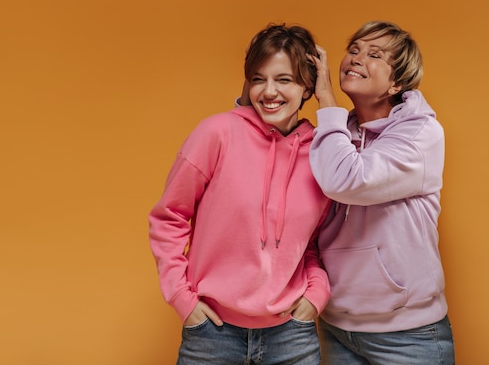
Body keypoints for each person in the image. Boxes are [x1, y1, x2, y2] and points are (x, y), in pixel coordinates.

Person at [149, 23, 332, 365]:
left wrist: (317, 294)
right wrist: (182, 300)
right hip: (212, 336)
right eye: (259, 78)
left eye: (285, 79)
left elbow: (312, 244)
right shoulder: (217, 133)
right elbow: (169, 217)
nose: (269, 91)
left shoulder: (322, 153)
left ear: (307, 87)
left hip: (291, 336)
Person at [308, 20, 456, 365]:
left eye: (374, 55)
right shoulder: (337, 132)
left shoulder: (420, 133)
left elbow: (348, 181)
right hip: (336, 326)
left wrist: (325, 97)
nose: (356, 59)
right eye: (354, 50)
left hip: (409, 336)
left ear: (397, 83)